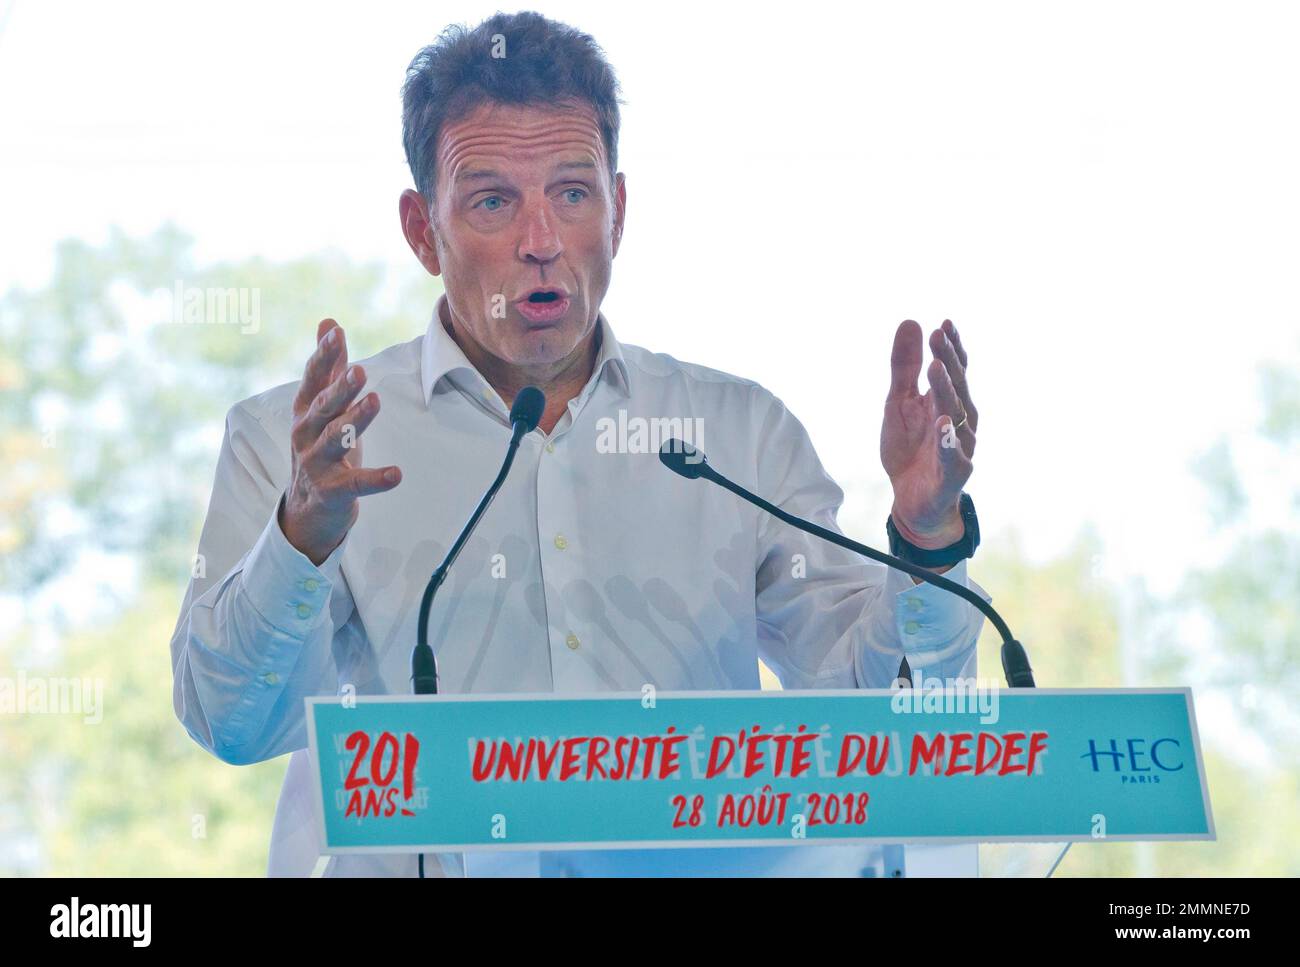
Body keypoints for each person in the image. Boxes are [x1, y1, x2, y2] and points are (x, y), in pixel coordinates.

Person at [170, 11, 988, 877]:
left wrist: (926, 537)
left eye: (572, 192)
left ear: (619, 209)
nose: (542, 242)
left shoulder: (737, 438)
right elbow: (230, 721)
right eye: (492, 201)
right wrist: (299, 538)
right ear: (421, 229)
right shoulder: (302, 447)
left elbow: (898, 714)